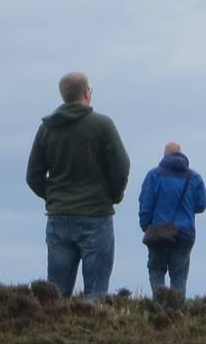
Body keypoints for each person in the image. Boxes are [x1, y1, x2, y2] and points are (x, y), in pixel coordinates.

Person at [25, 71, 130, 299]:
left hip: (59, 217)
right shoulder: (102, 125)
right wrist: (113, 195)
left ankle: (53, 333)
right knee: (96, 294)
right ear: (86, 93)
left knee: (56, 295)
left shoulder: (47, 128)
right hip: (96, 216)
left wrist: (53, 197)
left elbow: (33, 176)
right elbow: (122, 166)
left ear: (63, 96)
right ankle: (92, 334)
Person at [136, 141, 206, 299]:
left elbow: (146, 204)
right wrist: (187, 209)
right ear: (181, 154)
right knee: (179, 276)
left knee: (156, 269)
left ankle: (160, 309)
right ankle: (177, 311)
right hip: (184, 234)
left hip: (159, 233)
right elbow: (202, 204)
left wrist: (145, 226)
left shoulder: (153, 175)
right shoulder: (194, 177)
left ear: (165, 156)